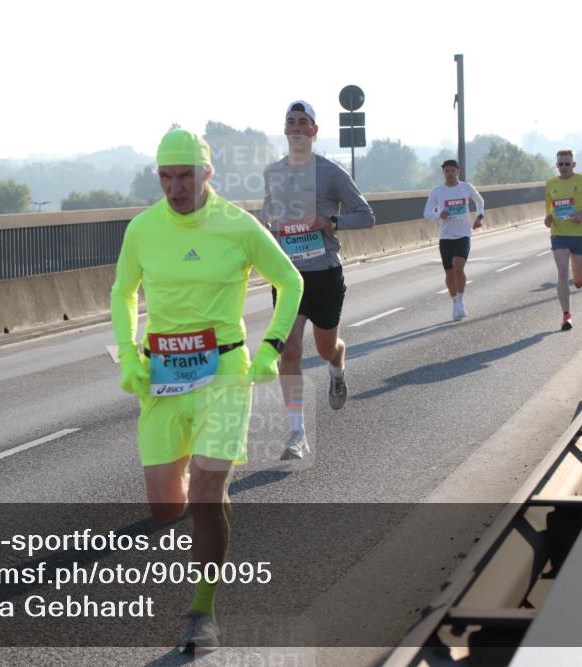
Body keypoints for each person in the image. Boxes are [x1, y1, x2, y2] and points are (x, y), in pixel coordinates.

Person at [110, 128, 303, 652]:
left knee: (204, 495)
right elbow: (123, 292)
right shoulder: (143, 229)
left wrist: (270, 349)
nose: (175, 187)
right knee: (164, 507)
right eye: (166, 177)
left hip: (222, 373)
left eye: (185, 176)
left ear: (207, 174)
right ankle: (206, 504)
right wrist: (129, 357)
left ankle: (202, 611)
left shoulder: (238, 226)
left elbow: (291, 281)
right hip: (163, 376)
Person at [260, 101, 374, 461]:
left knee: (326, 347)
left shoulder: (331, 173)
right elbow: (269, 213)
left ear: (313, 131)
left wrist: (329, 222)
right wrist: (266, 228)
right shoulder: (273, 173)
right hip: (288, 275)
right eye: (290, 122)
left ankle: (337, 366)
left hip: (324, 271)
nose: (295, 127)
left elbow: (366, 216)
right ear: (285, 130)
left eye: (302, 122)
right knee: (289, 352)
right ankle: (297, 433)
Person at [544, 149, 582, 331]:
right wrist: (548, 218)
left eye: (566, 164)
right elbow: (549, 208)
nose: (563, 167)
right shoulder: (550, 184)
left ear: (573, 164)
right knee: (562, 274)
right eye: (560, 164)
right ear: (556, 165)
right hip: (559, 234)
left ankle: (579, 277)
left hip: (580, 234)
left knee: (577, 280)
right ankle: (566, 315)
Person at [423, 159, 485, 320]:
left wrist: (479, 217)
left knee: (459, 265)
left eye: (452, 171)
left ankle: (461, 300)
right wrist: (439, 215)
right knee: (449, 273)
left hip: (463, 234)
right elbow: (426, 212)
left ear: (458, 172)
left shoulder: (466, 187)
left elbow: (479, 200)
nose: (450, 174)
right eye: (447, 171)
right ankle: (455, 301)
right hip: (445, 236)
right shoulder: (437, 191)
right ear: (443, 172)